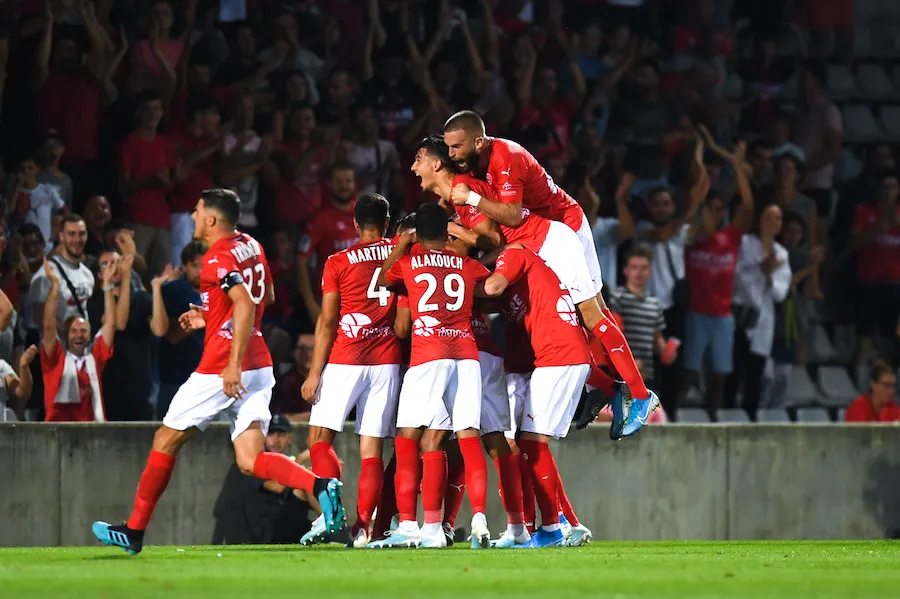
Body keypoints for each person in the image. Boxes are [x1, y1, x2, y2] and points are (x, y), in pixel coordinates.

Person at [91, 188, 344, 555]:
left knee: (166, 439)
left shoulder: (216, 257)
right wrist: (209, 315)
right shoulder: (253, 246)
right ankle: (321, 487)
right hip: (260, 365)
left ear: (211, 219)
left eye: (196, 212)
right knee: (250, 460)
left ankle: (134, 530)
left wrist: (230, 364)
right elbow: (265, 298)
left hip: (223, 367)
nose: (192, 218)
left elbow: (243, 303)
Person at [441, 113, 656, 437]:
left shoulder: (503, 158)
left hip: (563, 227)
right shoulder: (473, 169)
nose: (453, 154)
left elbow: (511, 218)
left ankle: (640, 395)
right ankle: (606, 388)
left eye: (456, 147)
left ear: (478, 141)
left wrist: (471, 201)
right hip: (536, 239)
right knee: (559, 327)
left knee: (592, 314)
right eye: (449, 149)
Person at [368, 203, 492, 549]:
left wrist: (400, 247)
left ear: (417, 234)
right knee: (465, 437)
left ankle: (408, 525)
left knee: (407, 437)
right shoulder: (467, 265)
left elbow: (381, 279)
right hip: (467, 357)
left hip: (428, 356)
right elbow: (491, 286)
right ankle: (448, 525)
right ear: (447, 231)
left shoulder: (408, 264)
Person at [299, 193, 402, 548]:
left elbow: (328, 320)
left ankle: (332, 516)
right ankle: (361, 528)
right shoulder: (400, 255)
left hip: (346, 358)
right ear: (387, 223)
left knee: (318, 440)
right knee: (371, 450)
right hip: (387, 361)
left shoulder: (338, 261)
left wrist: (314, 373)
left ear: (355, 223)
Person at [479, 245, 592, 547]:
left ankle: (553, 526)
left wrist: (456, 274)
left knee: (526, 444)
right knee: (527, 445)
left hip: (551, 360)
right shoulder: (522, 280)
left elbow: (490, 286)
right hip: (541, 363)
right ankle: (556, 524)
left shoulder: (515, 257)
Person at [212, 414, 314, 544]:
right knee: (304, 482)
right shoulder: (252, 462)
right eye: (271, 434)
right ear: (263, 436)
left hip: (285, 524)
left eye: (281, 434)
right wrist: (301, 460)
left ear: (289, 438)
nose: (276, 440)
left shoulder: (286, 461)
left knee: (310, 478)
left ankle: (332, 522)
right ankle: (333, 522)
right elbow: (278, 487)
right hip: (265, 532)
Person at [40, 257, 116, 422]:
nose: (79, 335)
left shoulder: (94, 357)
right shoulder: (55, 357)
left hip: (90, 433)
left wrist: (108, 284)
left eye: (83, 331)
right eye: (73, 331)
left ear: (89, 336)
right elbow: (48, 326)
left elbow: (110, 323)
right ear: (67, 335)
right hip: (57, 432)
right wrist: (55, 285)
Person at [157, 241, 206, 419]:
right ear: (184, 267)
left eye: (205, 265)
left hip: (211, 379)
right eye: (195, 265)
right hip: (176, 378)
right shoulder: (172, 292)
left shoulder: (221, 293)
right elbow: (173, 336)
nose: (201, 271)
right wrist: (208, 314)